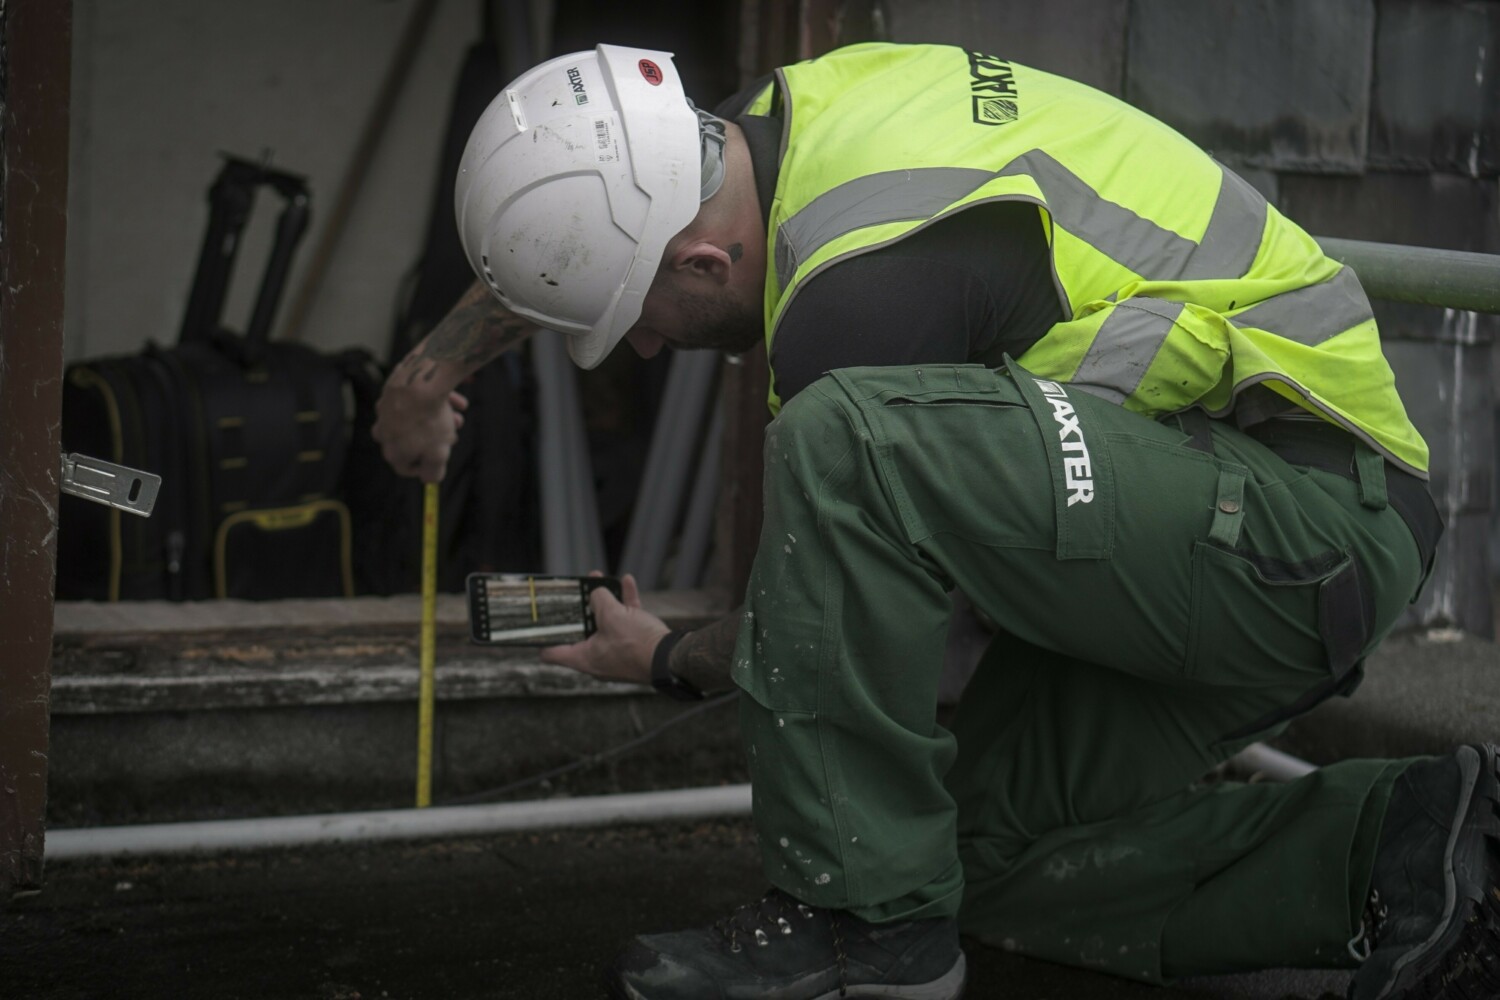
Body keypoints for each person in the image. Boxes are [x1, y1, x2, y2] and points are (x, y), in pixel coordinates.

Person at [372, 42, 1496, 1000]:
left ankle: (858, 927)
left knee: (844, 444)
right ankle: (1413, 840)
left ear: (706, 259)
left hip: (1302, 521)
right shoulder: (775, 125)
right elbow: (588, 213)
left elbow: (812, 616)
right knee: (978, 865)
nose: (652, 347)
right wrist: (429, 372)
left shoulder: (852, 301)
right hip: (1215, 522)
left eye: (642, 319)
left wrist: (667, 654)